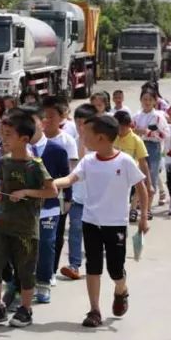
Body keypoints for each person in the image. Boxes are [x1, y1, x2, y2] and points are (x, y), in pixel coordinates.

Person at [53, 114, 149, 329]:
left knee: (115, 269)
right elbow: (70, 179)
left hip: (115, 223)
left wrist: (143, 217)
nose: (83, 137)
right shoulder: (88, 160)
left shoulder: (124, 161)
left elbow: (142, 189)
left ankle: (121, 289)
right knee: (93, 266)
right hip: (91, 221)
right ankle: (94, 310)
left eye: (87, 134)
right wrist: (53, 183)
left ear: (102, 138)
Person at [0, 112, 56, 328]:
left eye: (9, 135)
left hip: (26, 227)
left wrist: (27, 192)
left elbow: (52, 192)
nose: (4, 139)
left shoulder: (35, 165)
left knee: (25, 269)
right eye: (3, 134)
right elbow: (2, 187)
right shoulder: (4, 162)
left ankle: (26, 309)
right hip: (3, 223)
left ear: (24, 138)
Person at [34, 102, 73, 304]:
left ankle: (44, 283)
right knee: (27, 246)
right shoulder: (20, 150)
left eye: (33, 123)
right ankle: (24, 284)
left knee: (47, 244)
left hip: (49, 207)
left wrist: (67, 199)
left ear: (42, 123)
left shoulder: (57, 150)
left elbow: (66, 176)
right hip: (25, 207)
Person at [59, 104, 98, 281]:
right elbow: (75, 166)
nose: (80, 126)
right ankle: (74, 265)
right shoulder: (70, 141)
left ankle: (94, 262)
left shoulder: (100, 143)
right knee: (75, 228)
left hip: (96, 198)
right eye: (77, 122)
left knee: (94, 233)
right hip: (77, 196)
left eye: (84, 123)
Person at [113, 111, 152, 220]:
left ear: (130, 125)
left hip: (127, 177)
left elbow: (143, 163)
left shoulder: (136, 140)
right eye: (118, 128)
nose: (120, 131)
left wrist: (149, 184)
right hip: (111, 174)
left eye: (122, 128)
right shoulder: (111, 136)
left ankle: (129, 213)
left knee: (123, 201)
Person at [133, 90, 168, 207]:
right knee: (139, 174)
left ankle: (148, 206)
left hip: (153, 147)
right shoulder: (137, 116)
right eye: (144, 99)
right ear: (141, 100)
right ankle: (140, 200)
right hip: (139, 145)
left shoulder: (158, 116)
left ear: (154, 101)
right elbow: (131, 130)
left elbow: (165, 134)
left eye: (150, 100)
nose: (147, 102)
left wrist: (147, 132)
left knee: (152, 175)